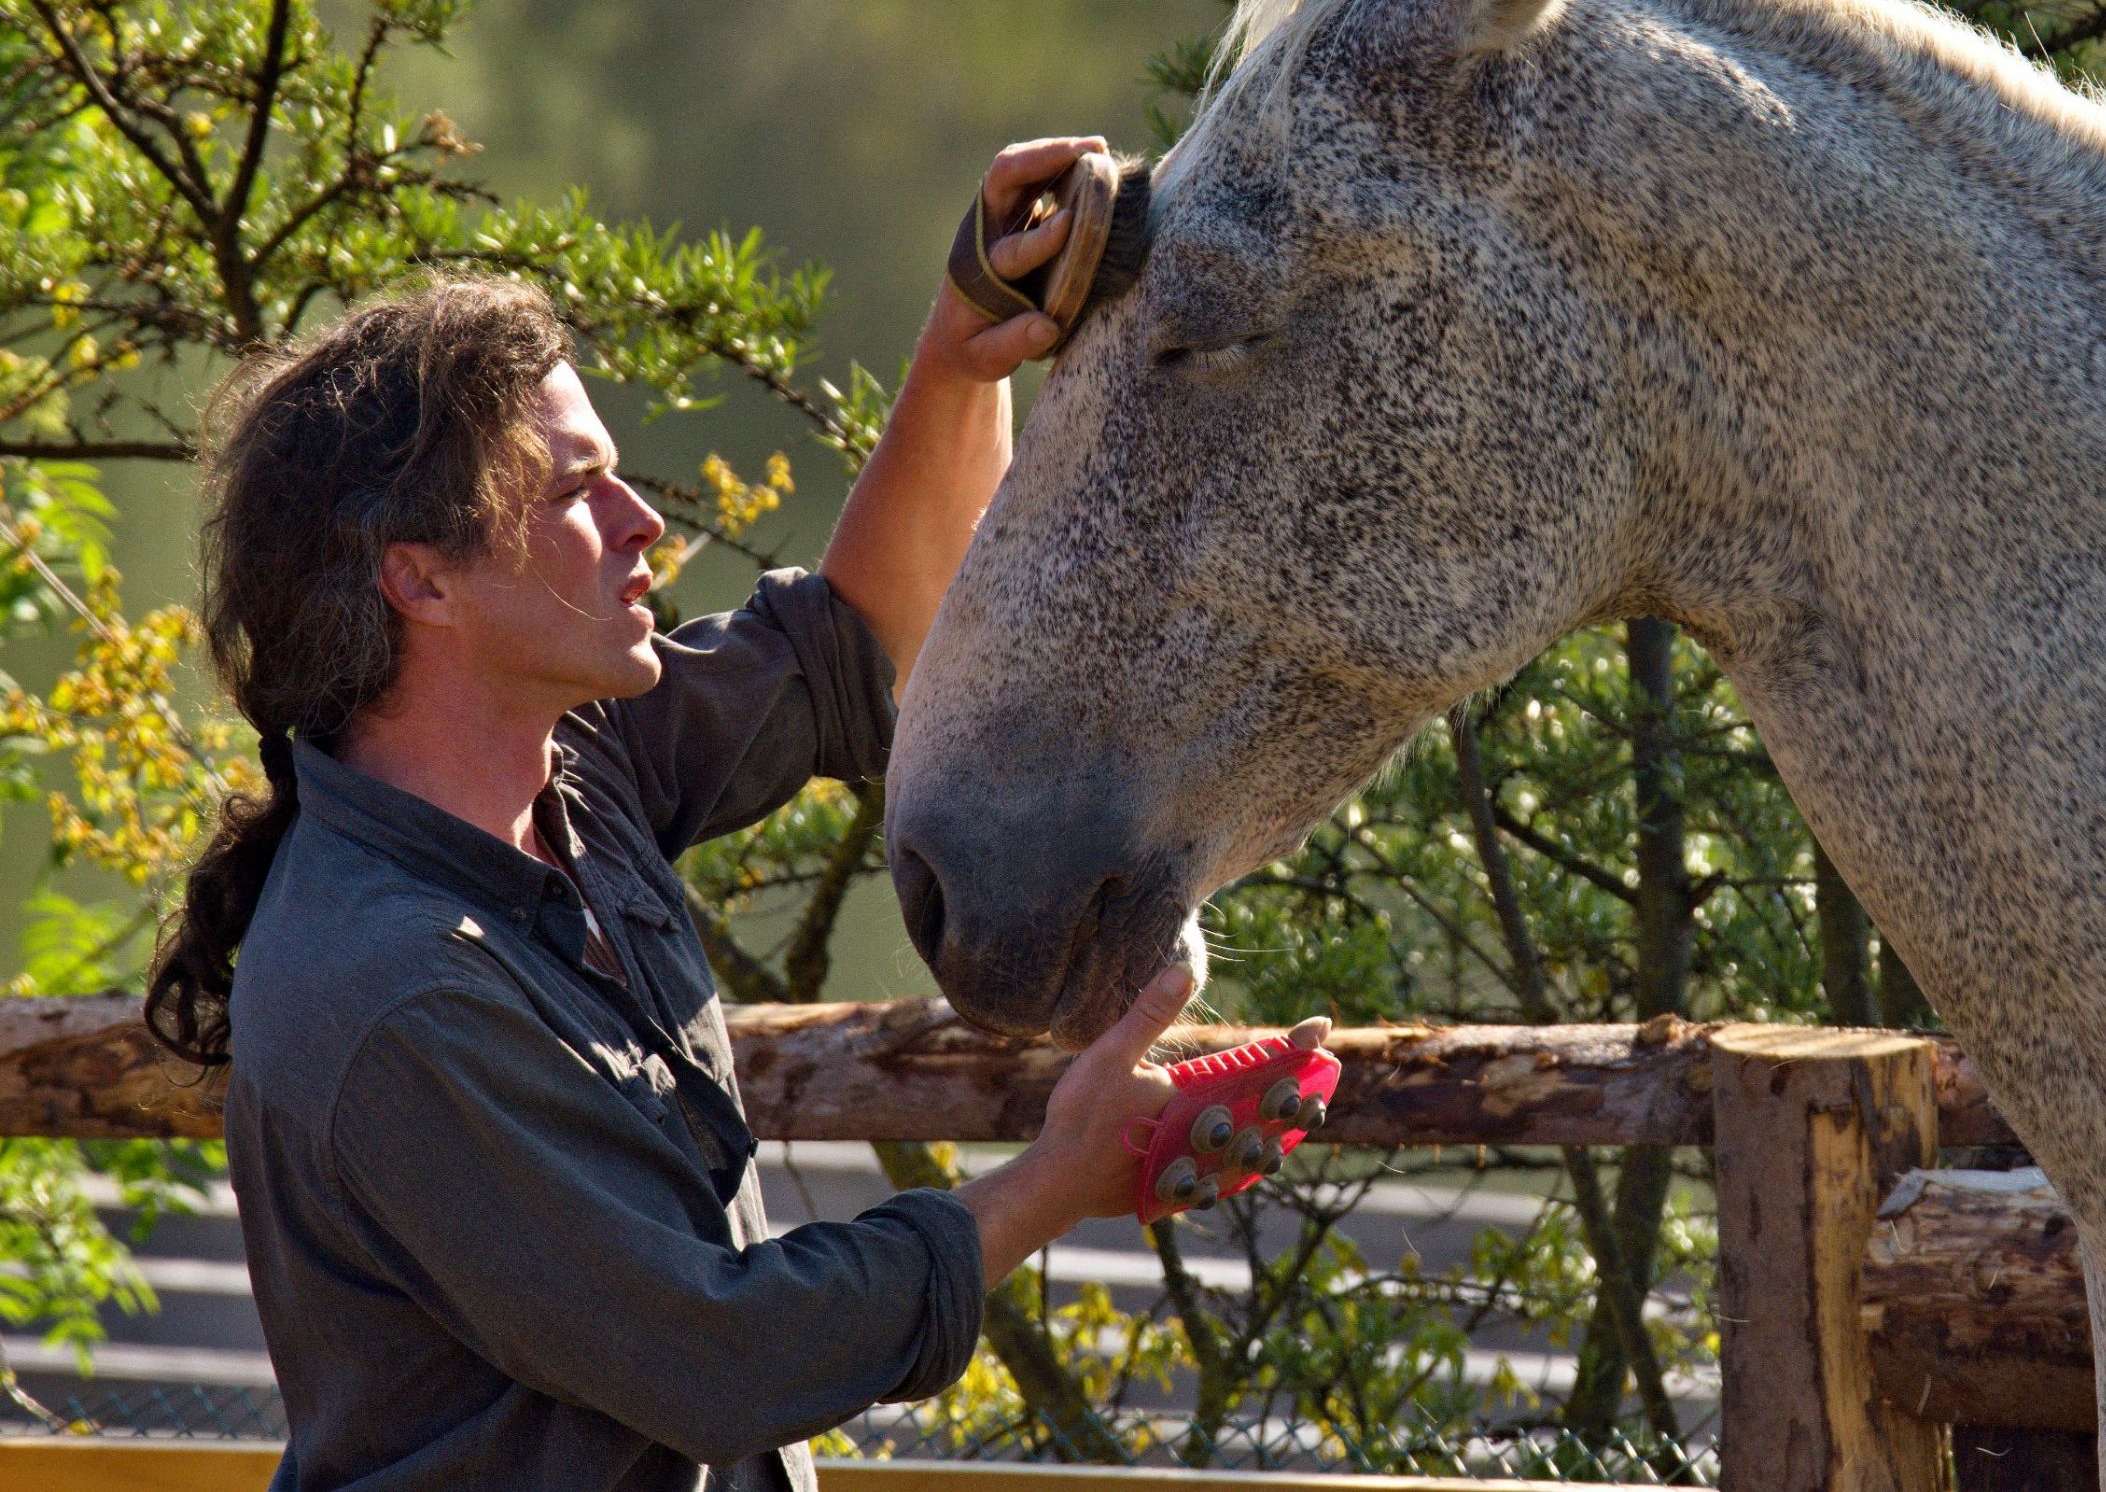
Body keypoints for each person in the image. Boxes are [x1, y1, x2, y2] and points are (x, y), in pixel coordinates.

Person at [139, 138, 1275, 1490]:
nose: (642, 522)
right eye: (573, 491)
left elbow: (861, 642)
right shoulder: (393, 994)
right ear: (421, 582)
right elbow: (722, 1360)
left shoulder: (572, 766)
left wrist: (967, 340)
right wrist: (1054, 1180)